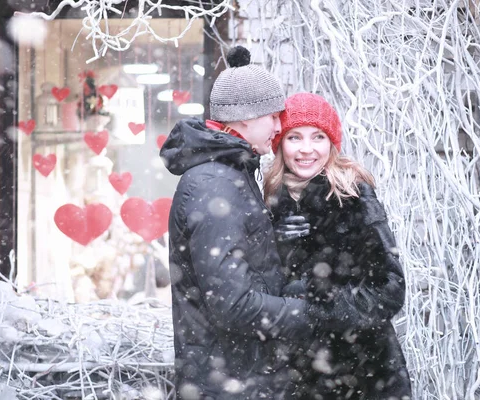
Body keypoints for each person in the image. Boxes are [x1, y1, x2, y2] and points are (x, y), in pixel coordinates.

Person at [160, 47, 385, 399]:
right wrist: (311, 311)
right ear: (245, 117)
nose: (280, 128)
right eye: (275, 117)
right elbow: (233, 305)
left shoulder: (235, 172)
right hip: (230, 383)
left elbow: (248, 274)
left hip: (242, 377)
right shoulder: (215, 183)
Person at [264, 93, 412, 400]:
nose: (306, 149)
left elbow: (391, 289)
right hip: (296, 378)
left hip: (363, 375)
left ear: (331, 144)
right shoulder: (269, 200)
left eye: (318, 137)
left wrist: (316, 302)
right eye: (294, 137)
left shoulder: (352, 195)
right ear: (280, 144)